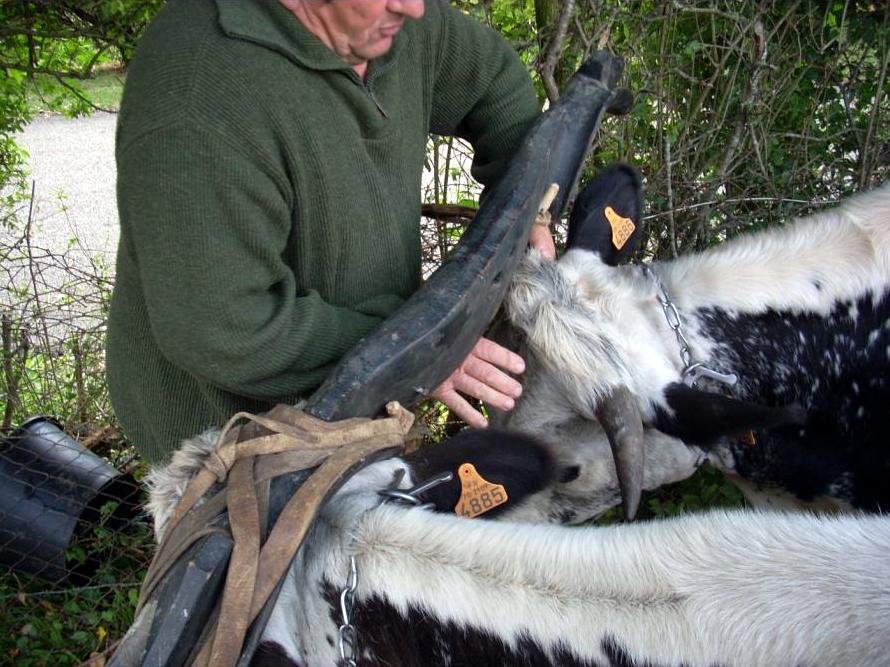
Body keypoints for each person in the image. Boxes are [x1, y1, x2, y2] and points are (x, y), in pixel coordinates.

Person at [107, 0, 555, 464]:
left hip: (363, 400)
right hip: (234, 441)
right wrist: (419, 349)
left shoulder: (381, 21)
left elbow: (492, 78)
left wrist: (527, 210)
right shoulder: (197, 104)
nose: (414, 9)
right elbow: (225, 331)